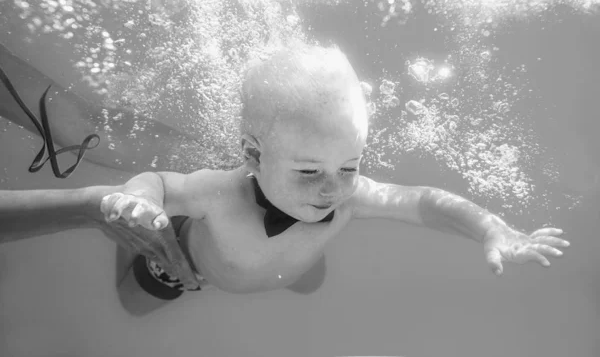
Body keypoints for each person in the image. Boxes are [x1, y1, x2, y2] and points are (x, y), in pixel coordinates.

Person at [1, 42, 570, 315]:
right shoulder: (220, 192)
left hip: (281, 262)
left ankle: (295, 244)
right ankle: (115, 230)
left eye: (349, 166)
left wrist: (490, 228)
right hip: (188, 263)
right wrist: (137, 204)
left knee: (310, 279)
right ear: (251, 156)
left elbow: (422, 201)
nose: (333, 189)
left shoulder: (344, 196)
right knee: (135, 302)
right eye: (309, 171)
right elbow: (158, 179)